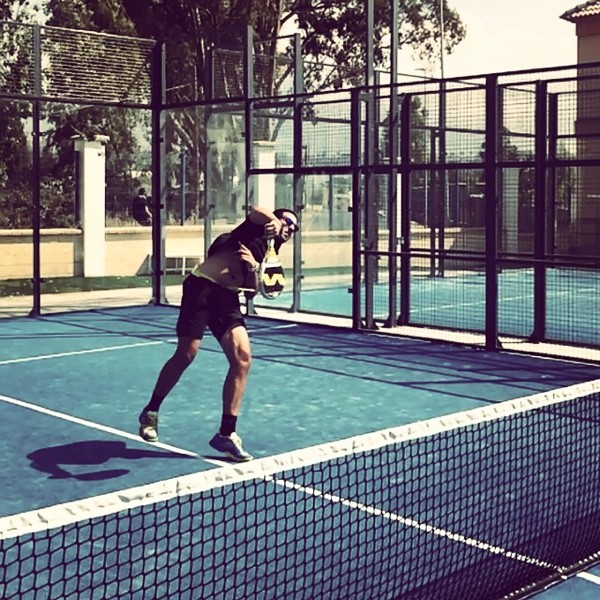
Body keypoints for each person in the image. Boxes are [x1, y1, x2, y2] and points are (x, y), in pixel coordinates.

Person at [138, 206, 299, 462]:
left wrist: (253, 267)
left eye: (294, 227)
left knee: (243, 358)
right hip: (201, 287)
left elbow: (251, 292)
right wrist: (273, 221)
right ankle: (151, 411)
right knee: (186, 354)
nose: (290, 228)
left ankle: (226, 433)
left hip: (227, 298)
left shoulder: (271, 254)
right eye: (287, 221)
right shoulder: (255, 230)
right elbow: (256, 211)